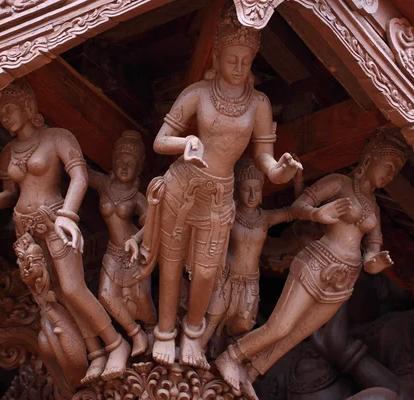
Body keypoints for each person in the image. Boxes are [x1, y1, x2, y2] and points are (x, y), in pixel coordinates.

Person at [134, 8, 302, 370]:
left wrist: (280, 172)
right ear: (218, 56)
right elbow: (161, 141)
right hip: (182, 185)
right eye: (231, 59)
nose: (239, 67)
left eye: (245, 60)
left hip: (220, 193)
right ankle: (165, 331)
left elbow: (264, 158)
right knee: (172, 262)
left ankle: (193, 332)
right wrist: (187, 143)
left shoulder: (258, 104)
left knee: (208, 272)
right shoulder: (198, 94)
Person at [0, 80, 129, 384]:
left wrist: (68, 215)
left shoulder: (57, 137)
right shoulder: (8, 153)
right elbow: (10, 194)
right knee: (56, 294)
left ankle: (116, 343)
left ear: (27, 106)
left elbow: (79, 176)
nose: (4, 117)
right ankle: (95, 353)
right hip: (25, 232)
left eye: (9, 109)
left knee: (74, 288)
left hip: (54, 220)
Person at [215, 133, 408, 398]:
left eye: (395, 172)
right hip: (317, 263)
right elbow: (300, 205)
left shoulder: (373, 208)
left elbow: (371, 250)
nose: (390, 175)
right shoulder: (340, 183)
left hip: (344, 280)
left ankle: (251, 372)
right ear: (370, 159)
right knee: (281, 326)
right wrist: (318, 214)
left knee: (296, 335)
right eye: (388, 167)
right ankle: (232, 356)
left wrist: (375, 262)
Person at [201, 158, 299, 351]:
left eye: (257, 189)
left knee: (244, 325)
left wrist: (298, 181)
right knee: (213, 317)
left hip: (250, 281)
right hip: (226, 275)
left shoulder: (266, 217)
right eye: (247, 189)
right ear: (238, 190)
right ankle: (197, 349)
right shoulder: (230, 212)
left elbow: (294, 211)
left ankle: (226, 357)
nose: (253, 195)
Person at [87, 130, 156, 358]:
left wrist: (137, 241)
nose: (124, 167)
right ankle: (135, 334)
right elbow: (81, 171)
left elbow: (151, 225)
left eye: (130, 163)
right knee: (106, 296)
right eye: (120, 162)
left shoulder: (137, 197)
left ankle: (152, 328)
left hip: (133, 252)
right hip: (113, 251)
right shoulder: (104, 183)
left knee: (142, 298)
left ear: (138, 169)